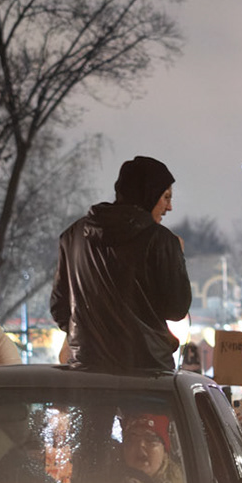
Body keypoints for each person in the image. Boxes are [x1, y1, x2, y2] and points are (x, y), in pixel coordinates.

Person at [49, 156, 191, 374]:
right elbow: (177, 308)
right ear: (149, 194)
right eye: (165, 197)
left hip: (87, 370)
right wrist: (177, 259)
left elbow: (60, 307)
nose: (169, 207)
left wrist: (90, 335)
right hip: (147, 371)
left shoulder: (72, 236)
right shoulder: (161, 240)